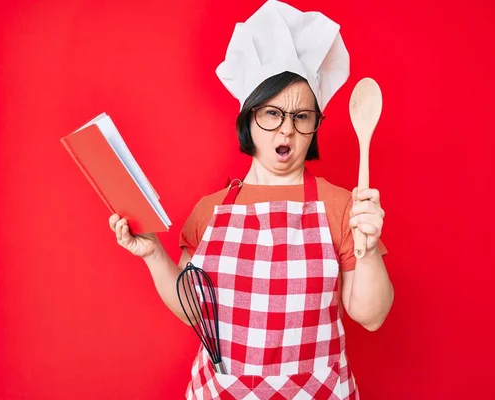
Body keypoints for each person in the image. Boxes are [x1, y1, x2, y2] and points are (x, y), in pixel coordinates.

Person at [109, 1, 393, 398]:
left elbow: (371, 316)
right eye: (272, 113)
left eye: (301, 117)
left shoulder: (343, 206)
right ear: (248, 117)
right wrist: (153, 253)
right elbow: (196, 312)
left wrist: (367, 244)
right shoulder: (210, 210)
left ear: (315, 125)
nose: (286, 131)